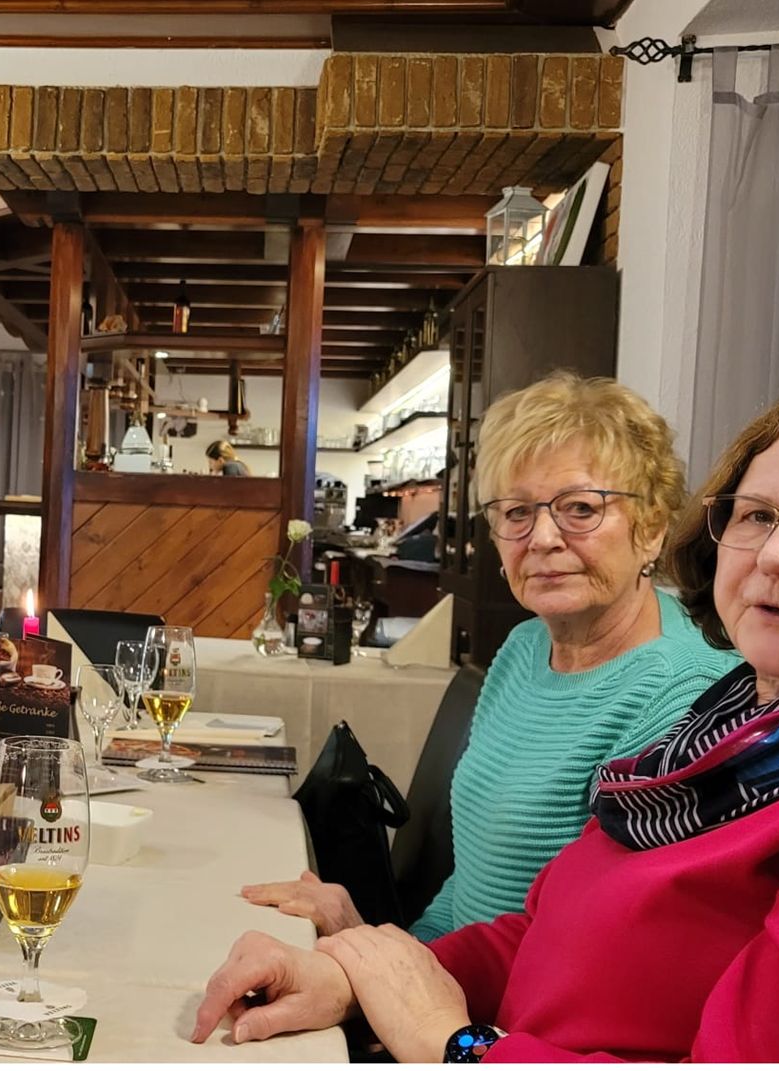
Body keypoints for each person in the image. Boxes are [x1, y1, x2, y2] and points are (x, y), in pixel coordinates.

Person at [194, 374, 779, 1061]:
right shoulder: (742, 714)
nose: (776, 554)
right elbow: (544, 928)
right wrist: (355, 976)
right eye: (757, 514)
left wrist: (455, 1042)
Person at [243, 373, 734, 940]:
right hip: (455, 971)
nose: (542, 537)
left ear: (651, 529)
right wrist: (400, 947)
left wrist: (371, 953)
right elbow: (470, 881)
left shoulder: (686, 694)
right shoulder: (525, 647)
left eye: (580, 508)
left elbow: (601, 947)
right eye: (516, 512)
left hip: (523, 995)